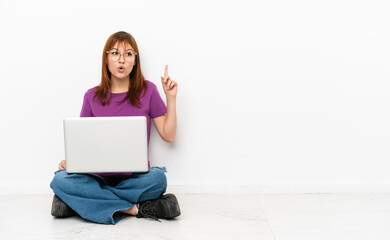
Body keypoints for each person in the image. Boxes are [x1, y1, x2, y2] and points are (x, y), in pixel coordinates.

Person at [49, 31, 180, 225]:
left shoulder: (148, 90)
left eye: (128, 54)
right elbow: (82, 143)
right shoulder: (91, 96)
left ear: (135, 61)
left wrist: (171, 98)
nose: (122, 60)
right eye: (115, 53)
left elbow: (168, 136)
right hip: (95, 178)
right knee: (59, 180)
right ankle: (134, 209)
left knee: (158, 178)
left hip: (135, 178)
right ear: (106, 59)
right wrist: (71, 161)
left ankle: (78, 202)